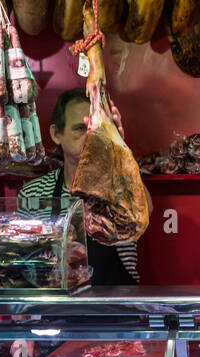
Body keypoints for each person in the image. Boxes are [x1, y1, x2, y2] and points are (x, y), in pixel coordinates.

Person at [17, 89, 138, 285]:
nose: (90, 135)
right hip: (58, 312)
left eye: (96, 128)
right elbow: (27, 267)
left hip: (117, 310)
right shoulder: (32, 194)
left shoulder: (118, 185)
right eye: (80, 128)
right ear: (56, 134)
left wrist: (118, 148)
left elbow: (145, 211)